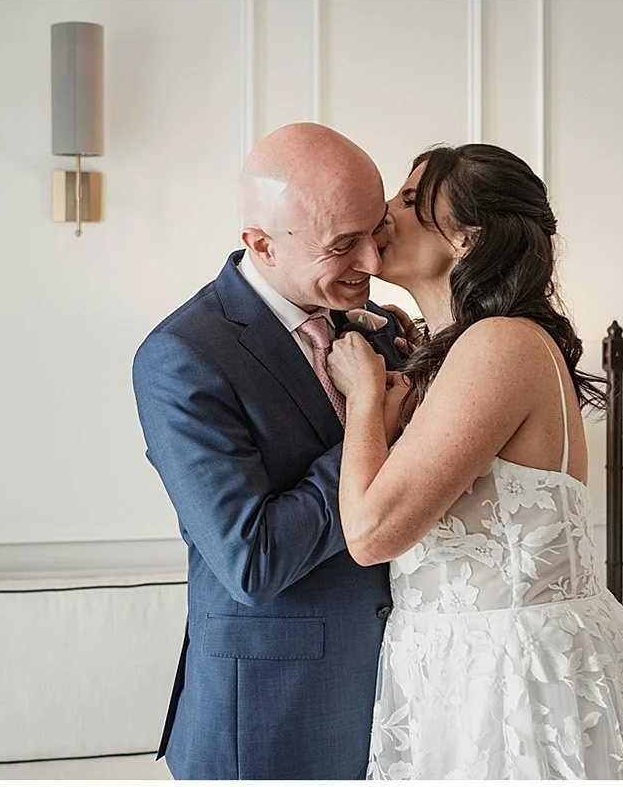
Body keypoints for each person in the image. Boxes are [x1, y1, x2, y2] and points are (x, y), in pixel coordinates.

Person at [326, 144, 623, 777]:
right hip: (454, 671)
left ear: (467, 238)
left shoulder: (499, 345)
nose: (385, 211)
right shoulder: (457, 353)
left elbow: (371, 534)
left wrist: (367, 401)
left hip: (516, 682)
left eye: (407, 199)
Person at [131, 123, 418, 779]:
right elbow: (252, 559)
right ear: (260, 244)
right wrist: (367, 428)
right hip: (270, 715)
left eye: (374, 232)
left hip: (403, 696)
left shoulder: (376, 328)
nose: (373, 264)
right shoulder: (183, 356)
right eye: (343, 245)